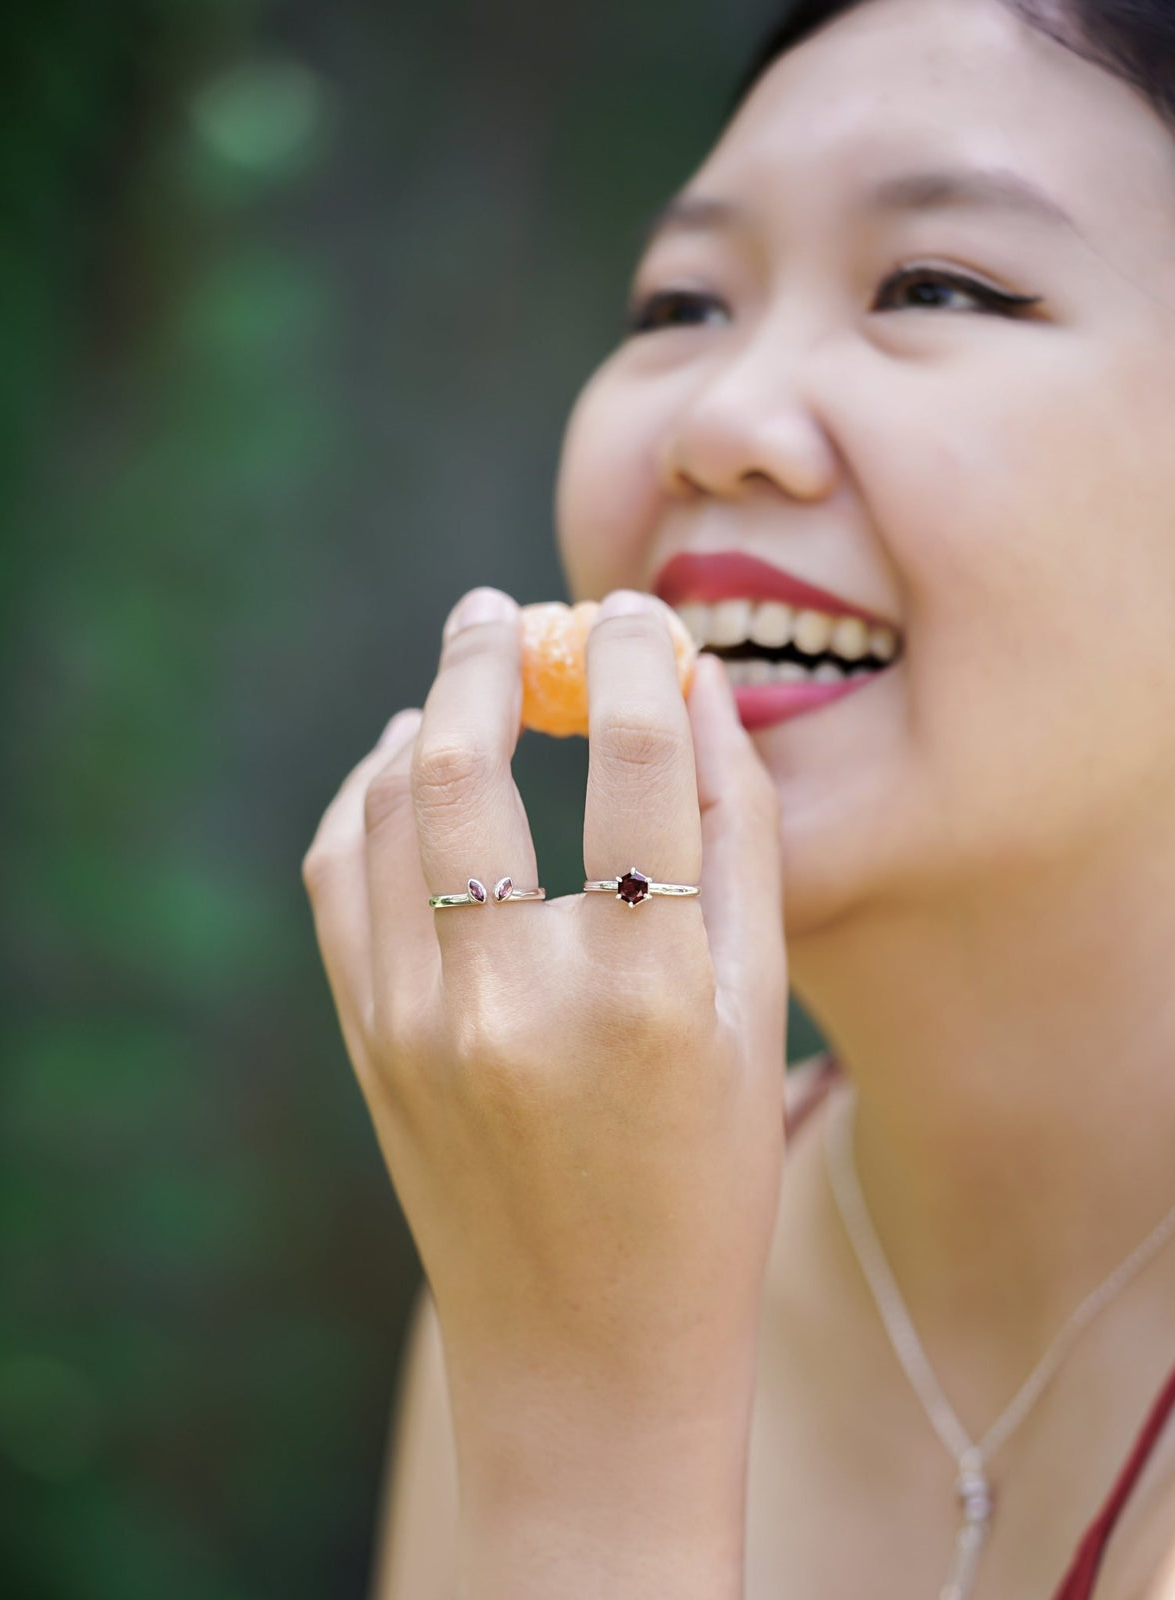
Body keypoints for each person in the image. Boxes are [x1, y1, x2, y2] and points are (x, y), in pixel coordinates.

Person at [302, 0, 1175, 1594]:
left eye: (935, 286)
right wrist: (577, 1359)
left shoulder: (578, 1296)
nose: (717, 423)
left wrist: (596, 1458)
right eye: (680, 302)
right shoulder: (569, 1248)